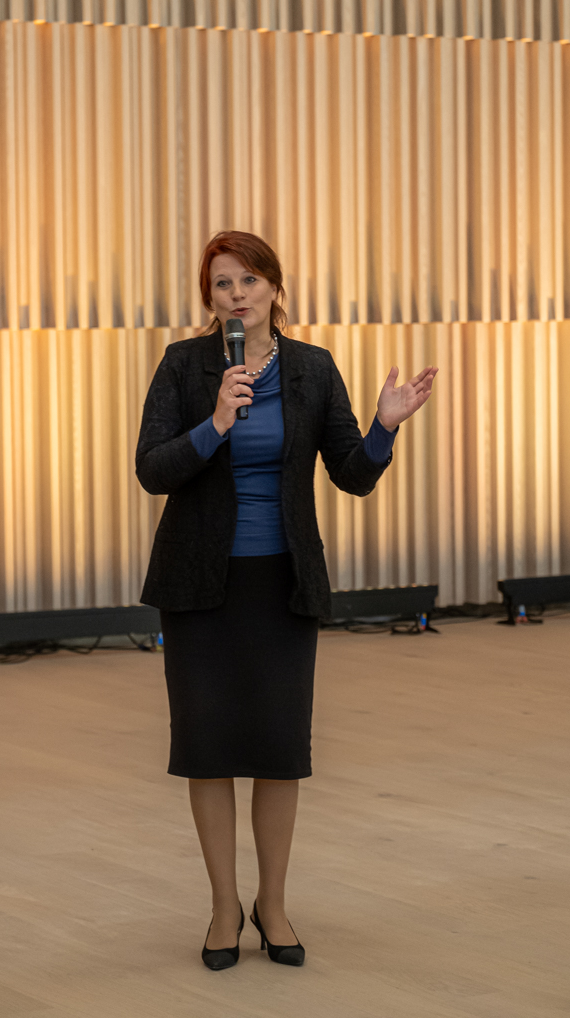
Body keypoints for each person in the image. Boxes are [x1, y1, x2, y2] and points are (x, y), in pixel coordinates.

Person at [135, 231, 437, 970]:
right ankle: (223, 906)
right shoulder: (184, 365)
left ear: (274, 286)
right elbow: (152, 470)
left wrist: (383, 428)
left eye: (248, 280)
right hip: (199, 586)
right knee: (207, 749)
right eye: (221, 284)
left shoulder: (312, 368)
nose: (235, 295)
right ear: (209, 298)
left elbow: (351, 475)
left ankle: (271, 903)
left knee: (278, 749)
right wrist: (215, 424)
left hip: (282, 583)